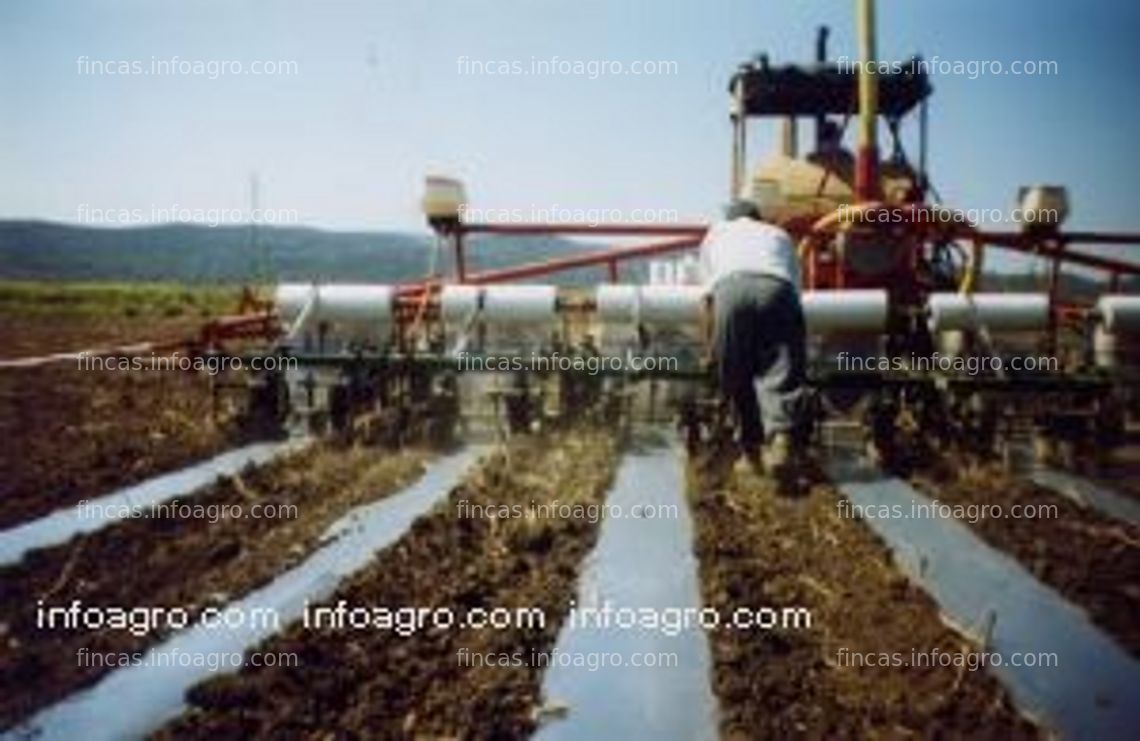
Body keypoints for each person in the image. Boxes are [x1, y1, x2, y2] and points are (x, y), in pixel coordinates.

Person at [700, 198, 807, 479]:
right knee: (780, 368)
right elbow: (795, 290)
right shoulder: (779, 235)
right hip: (777, 288)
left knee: (736, 373)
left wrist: (711, 349)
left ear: (730, 219)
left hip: (731, 289)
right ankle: (781, 440)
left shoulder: (716, 234)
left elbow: (709, 300)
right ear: (759, 218)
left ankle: (750, 454)